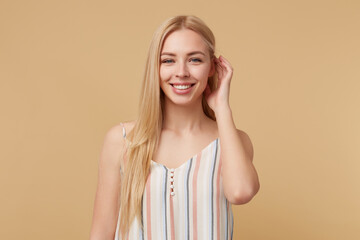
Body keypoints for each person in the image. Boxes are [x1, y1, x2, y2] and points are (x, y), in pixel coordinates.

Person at [90, 15, 260, 240]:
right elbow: (101, 233)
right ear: (155, 67)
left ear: (212, 67)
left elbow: (241, 192)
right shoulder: (121, 140)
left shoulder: (233, 141)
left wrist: (222, 109)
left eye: (195, 60)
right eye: (168, 60)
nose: (181, 72)